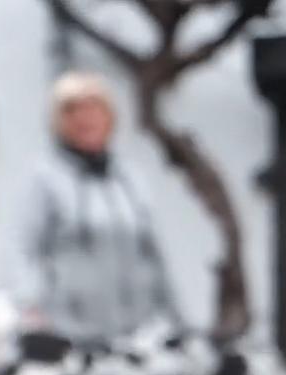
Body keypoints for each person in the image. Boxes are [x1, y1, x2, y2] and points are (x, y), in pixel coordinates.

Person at [15, 70, 180, 341]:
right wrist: (31, 314)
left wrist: (174, 317)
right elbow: (26, 250)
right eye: (72, 110)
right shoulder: (45, 178)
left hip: (137, 334)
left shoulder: (129, 179)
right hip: (69, 333)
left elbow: (154, 253)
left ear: (109, 117)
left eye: (93, 108)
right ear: (59, 121)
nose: (85, 118)